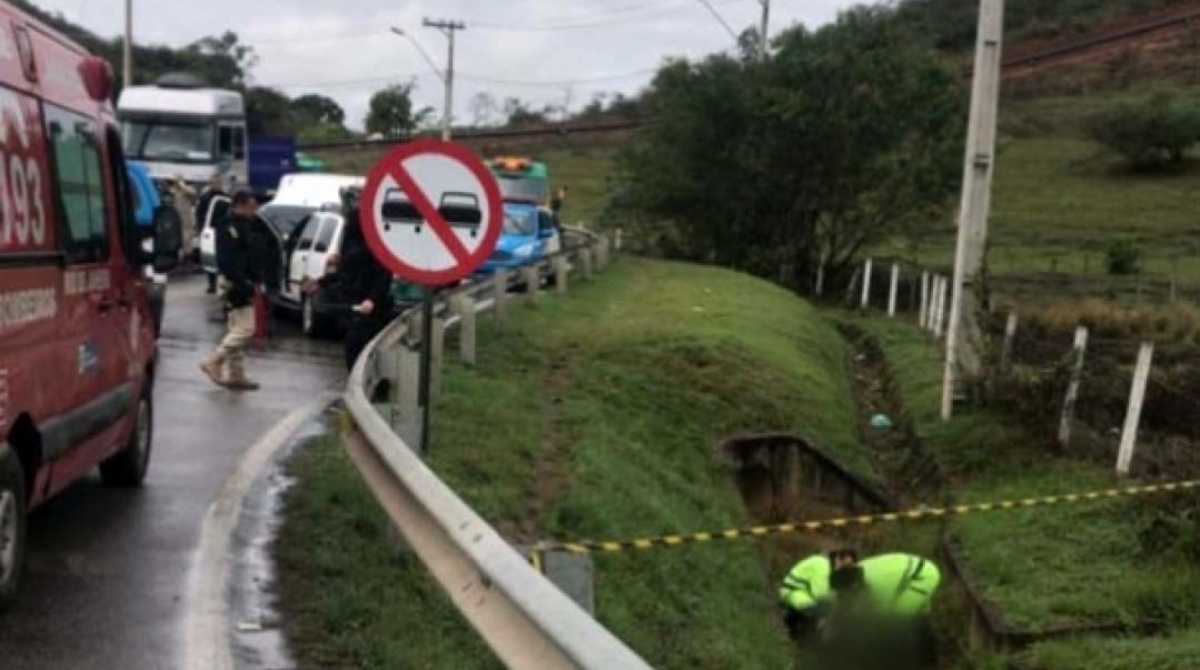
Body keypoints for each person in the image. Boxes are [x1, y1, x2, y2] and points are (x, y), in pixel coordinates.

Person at [305, 187, 394, 371]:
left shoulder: (374, 247)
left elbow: (383, 276)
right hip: (355, 305)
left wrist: (372, 299)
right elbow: (345, 272)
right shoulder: (352, 245)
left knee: (360, 347)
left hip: (373, 308)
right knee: (354, 347)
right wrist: (321, 282)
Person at [829, 552, 941, 667]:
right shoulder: (854, 573)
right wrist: (831, 623)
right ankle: (929, 656)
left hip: (922, 577)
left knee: (898, 621)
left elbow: (882, 618)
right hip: (908, 572)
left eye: (847, 594)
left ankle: (911, 662)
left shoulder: (878, 589)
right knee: (917, 617)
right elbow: (841, 599)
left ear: (854, 588)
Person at [200, 189, 263, 391]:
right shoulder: (230, 227)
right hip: (235, 282)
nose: (255, 211)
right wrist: (241, 281)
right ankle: (214, 360)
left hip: (240, 280)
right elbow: (228, 259)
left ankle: (237, 373)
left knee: (236, 326)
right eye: (251, 207)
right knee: (246, 328)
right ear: (240, 205)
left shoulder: (245, 226)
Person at [779, 548, 858, 638]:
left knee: (825, 608)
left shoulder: (828, 565)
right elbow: (820, 594)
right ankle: (794, 626)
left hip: (803, 591)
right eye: (844, 567)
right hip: (793, 591)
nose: (844, 571)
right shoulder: (823, 565)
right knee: (822, 607)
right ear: (838, 559)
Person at [195, 173, 227, 294]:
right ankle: (211, 283)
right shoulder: (204, 198)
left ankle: (221, 283)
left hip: (222, 231)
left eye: (218, 182)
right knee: (209, 257)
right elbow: (199, 214)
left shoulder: (224, 198)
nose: (216, 185)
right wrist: (200, 229)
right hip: (209, 231)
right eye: (213, 182)